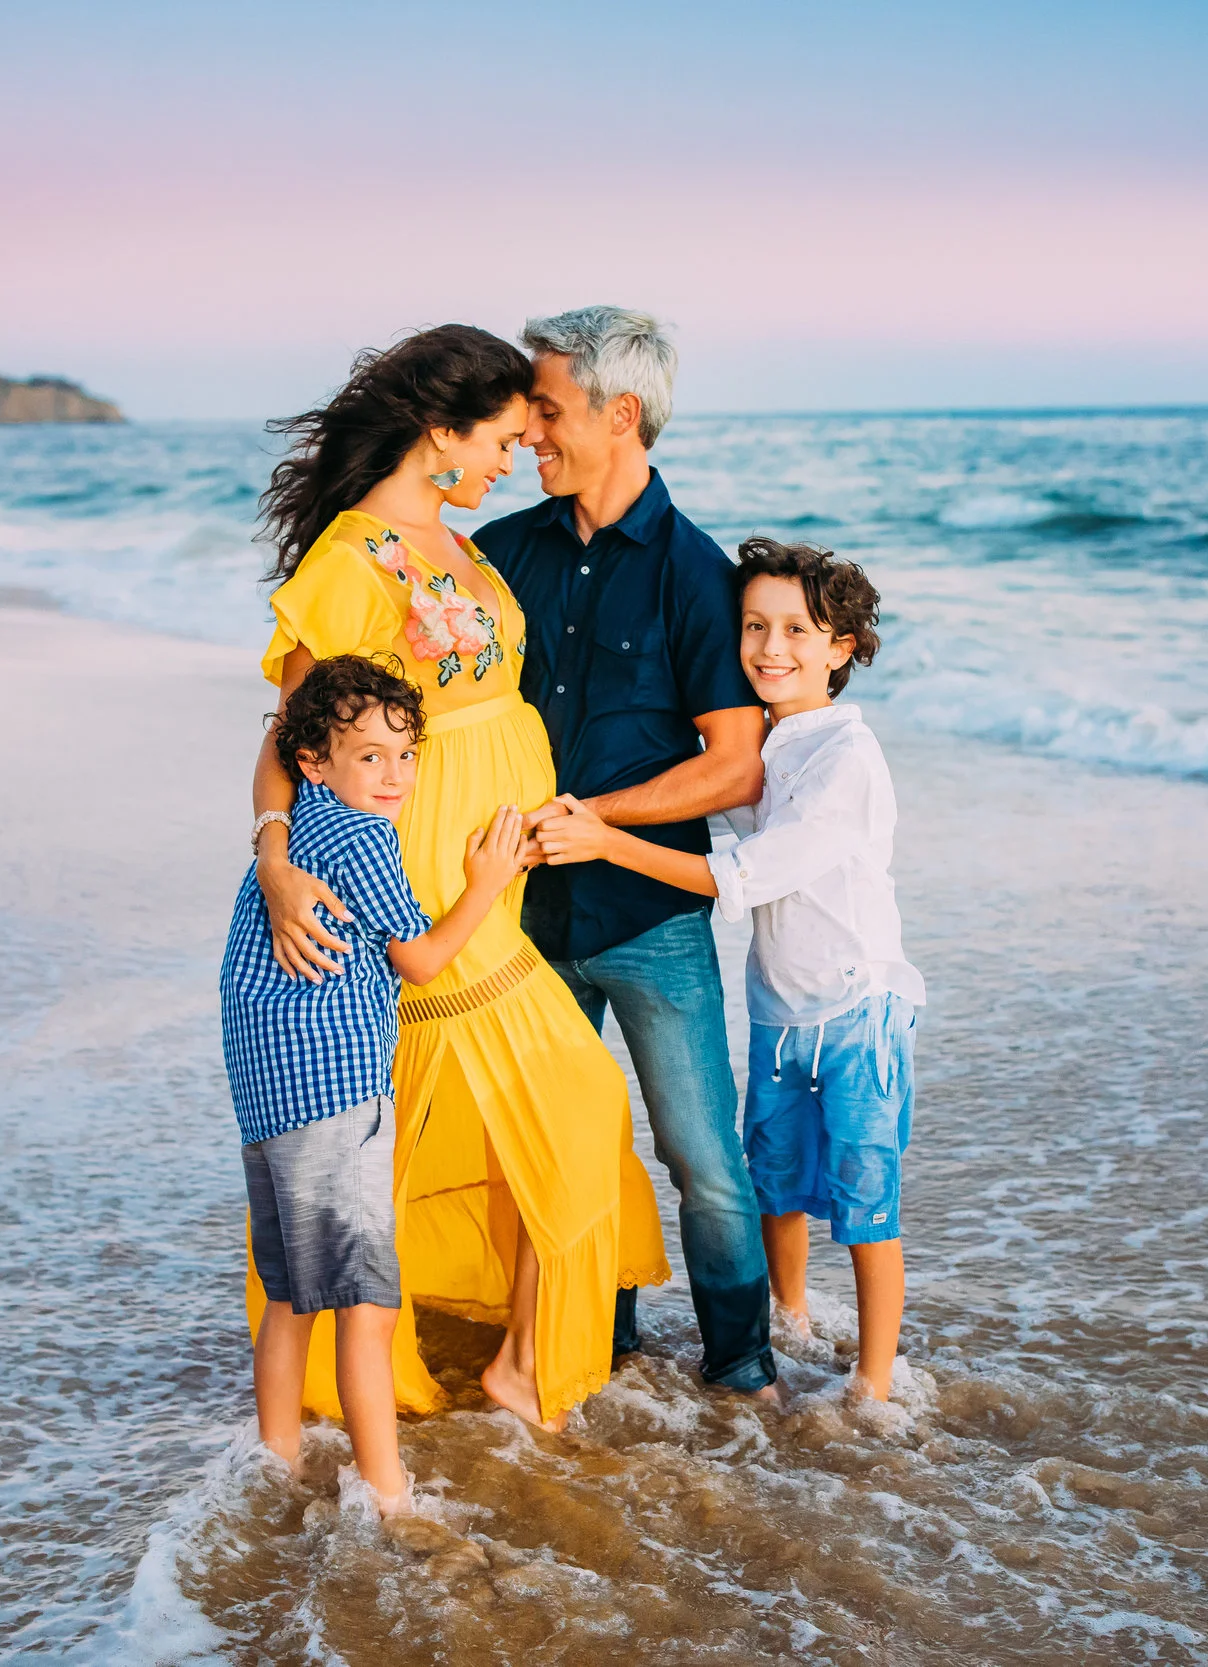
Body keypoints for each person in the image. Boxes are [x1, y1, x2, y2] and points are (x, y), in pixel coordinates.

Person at [246, 324, 669, 1433]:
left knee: (451, 1109)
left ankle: (487, 1361)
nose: (516, 451)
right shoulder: (351, 560)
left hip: (495, 867)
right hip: (430, 874)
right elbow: (288, 737)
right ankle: (401, 1371)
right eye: (498, 435)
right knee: (556, 1097)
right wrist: (275, 860)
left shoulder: (456, 542)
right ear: (437, 433)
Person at [533, 537, 923, 1402]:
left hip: (858, 1009)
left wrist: (604, 839)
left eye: (797, 629)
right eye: (754, 626)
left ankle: (873, 1379)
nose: (770, 648)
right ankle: (789, 1319)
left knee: (865, 1198)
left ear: (843, 648)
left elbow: (737, 873)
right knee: (774, 1180)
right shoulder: (772, 745)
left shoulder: (845, 760)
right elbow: (711, 824)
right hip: (781, 1010)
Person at [478, 307, 780, 1399]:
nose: (528, 434)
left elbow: (735, 765)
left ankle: (742, 1370)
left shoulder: (697, 574)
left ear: (620, 413)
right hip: (517, 922)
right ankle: (592, 1352)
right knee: (562, 1153)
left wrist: (599, 820)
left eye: (546, 410)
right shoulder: (498, 556)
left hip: (650, 921)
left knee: (701, 1160)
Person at [221, 655, 525, 1514]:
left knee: (287, 1293)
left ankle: (276, 1455)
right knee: (365, 1298)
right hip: (335, 1089)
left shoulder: (297, 831)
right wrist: (486, 885)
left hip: (268, 1091)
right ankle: (385, 1488)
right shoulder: (361, 837)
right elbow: (422, 961)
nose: (393, 776)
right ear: (313, 759)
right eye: (369, 756)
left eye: (405, 754)